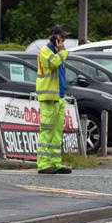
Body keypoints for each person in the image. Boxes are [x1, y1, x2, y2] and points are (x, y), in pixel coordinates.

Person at [36, 25, 72, 174]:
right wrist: (63, 52)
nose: (63, 41)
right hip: (49, 98)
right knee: (47, 131)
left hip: (59, 97)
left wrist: (61, 51)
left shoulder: (57, 52)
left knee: (57, 132)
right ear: (55, 38)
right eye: (61, 38)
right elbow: (53, 63)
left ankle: (55, 163)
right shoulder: (45, 52)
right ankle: (43, 165)